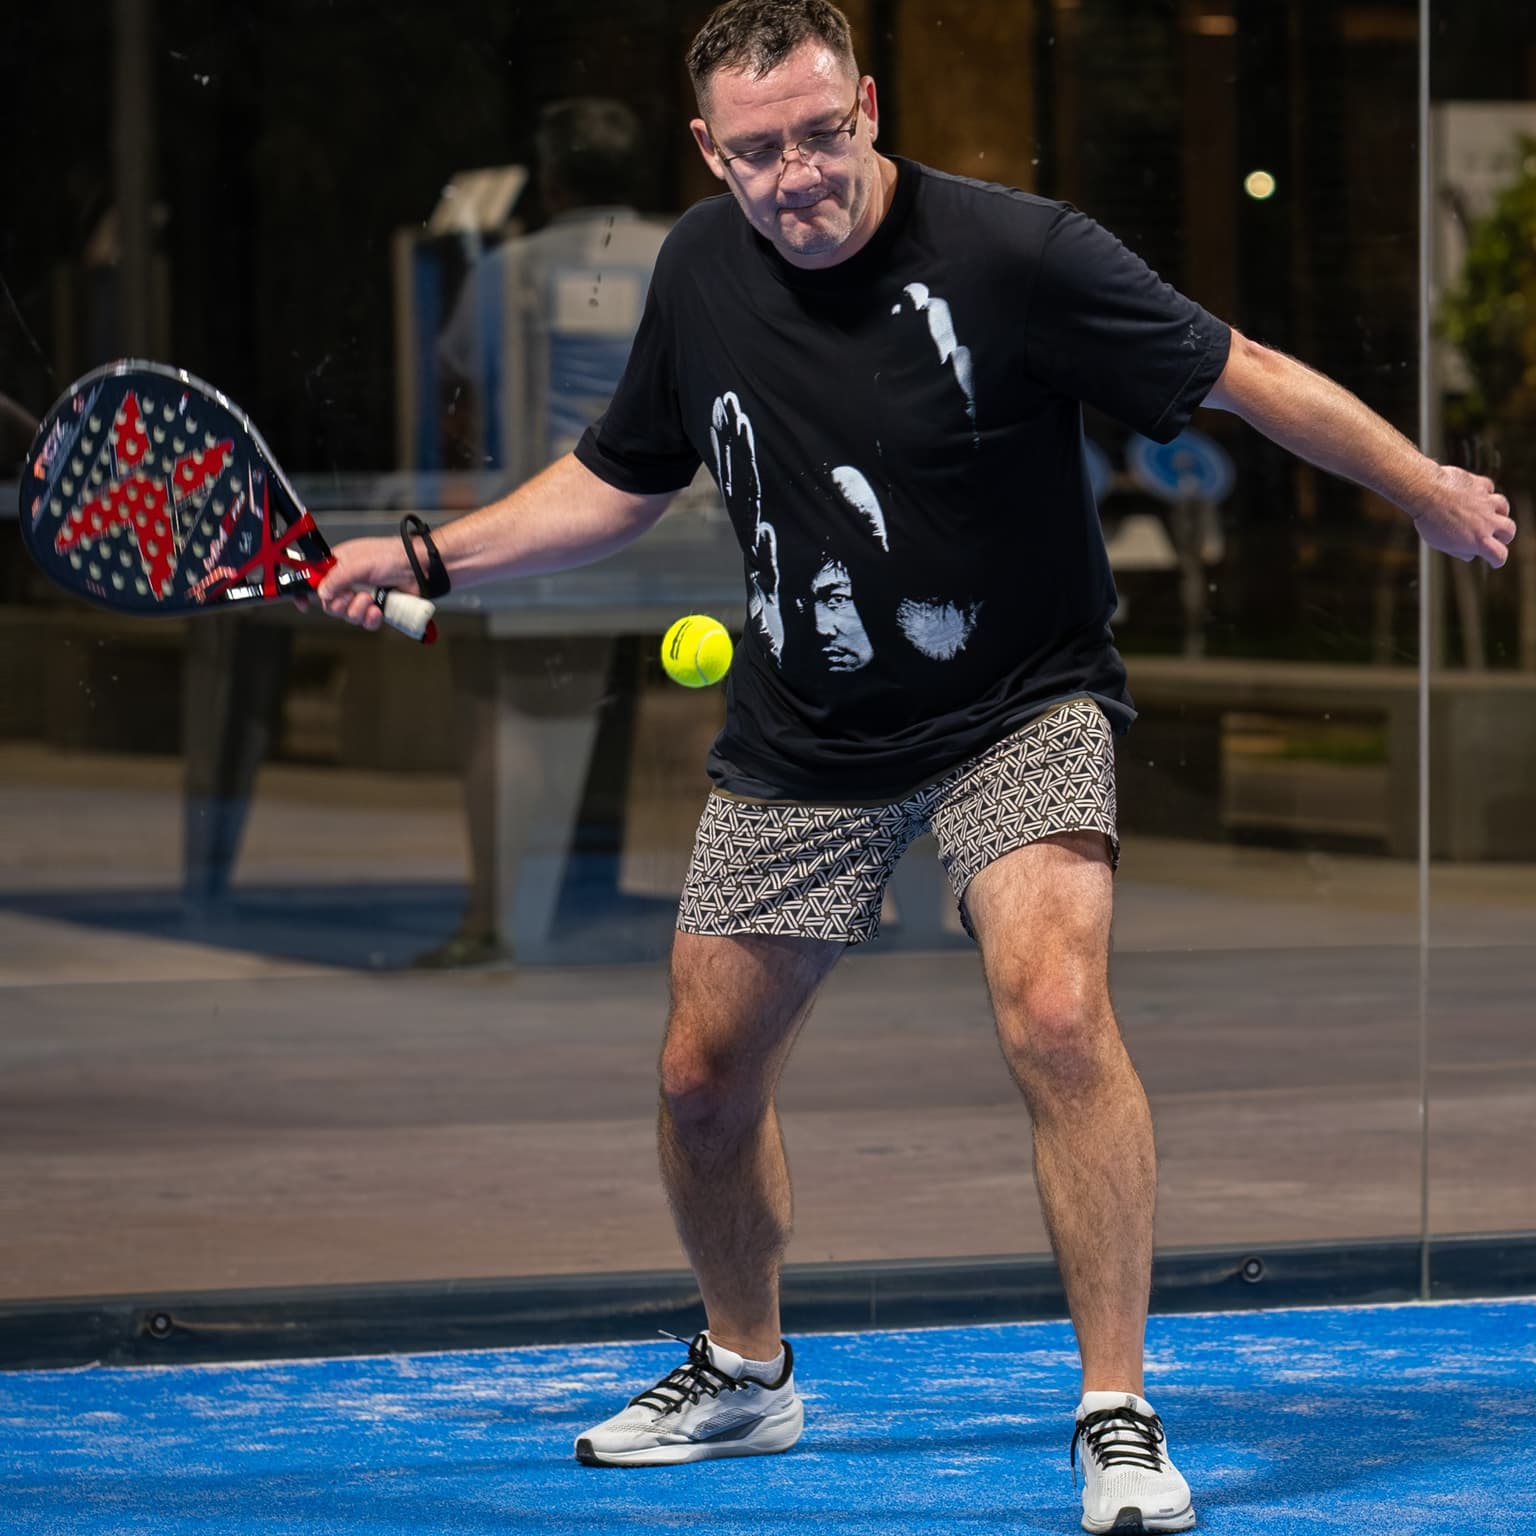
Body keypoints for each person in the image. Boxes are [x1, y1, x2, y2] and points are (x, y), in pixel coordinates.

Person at [317, 2, 1515, 1529]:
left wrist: (1422, 489)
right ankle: (746, 1373)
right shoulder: (698, 270)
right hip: (809, 732)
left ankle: (1117, 1409)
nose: (798, 175)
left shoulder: (1016, 254)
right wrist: (427, 555)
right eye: (759, 151)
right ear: (709, 154)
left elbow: (1241, 371)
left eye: (823, 134)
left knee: (1059, 1013)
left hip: (1021, 702)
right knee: (701, 1082)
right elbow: (621, 480)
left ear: (870, 105)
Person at [424, 97, 671, 967]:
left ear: (552, 180)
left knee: (525, 713)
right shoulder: (684, 255)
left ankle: (496, 922)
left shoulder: (508, 269)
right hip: (689, 531)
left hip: (562, 529)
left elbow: (457, 380)